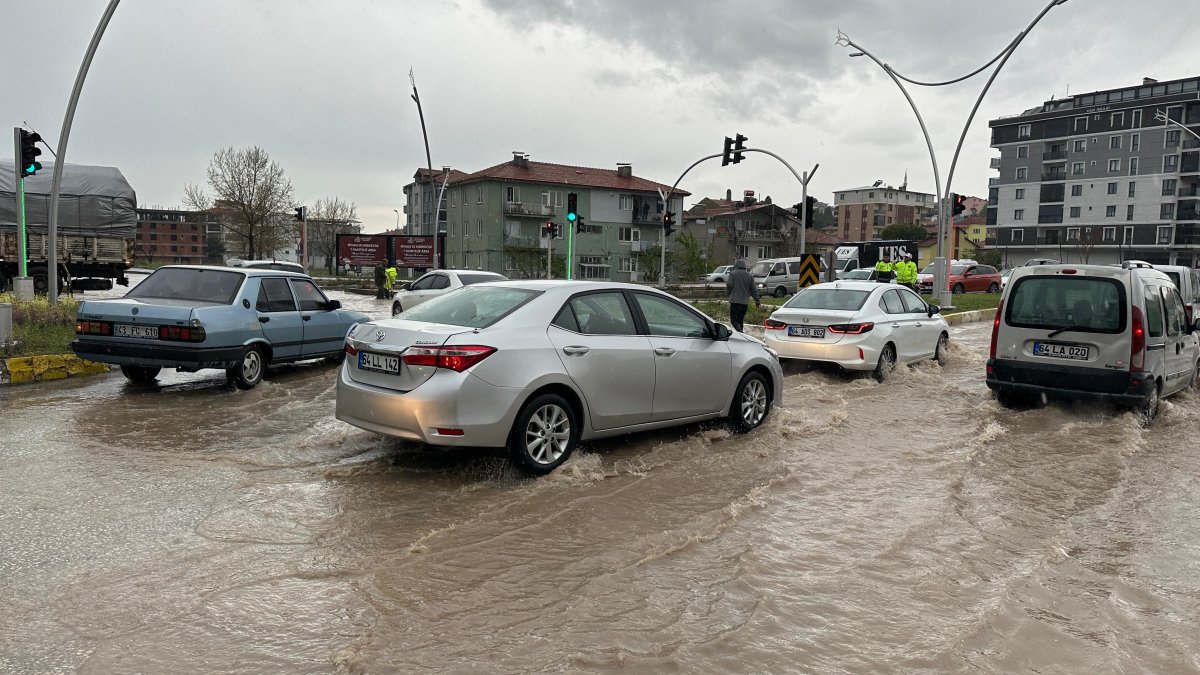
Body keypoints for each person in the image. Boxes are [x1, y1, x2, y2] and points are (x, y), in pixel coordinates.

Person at [725, 259, 761, 332]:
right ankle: (741, 337)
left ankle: (741, 334)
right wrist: (757, 301)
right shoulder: (749, 276)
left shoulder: (733, 273)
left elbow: (729, 284)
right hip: (744, 303)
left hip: (735, 301)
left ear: (736, 266)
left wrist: (729, 293)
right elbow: (754, 290)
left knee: (733, 320)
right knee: (740, 320)